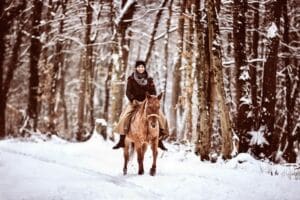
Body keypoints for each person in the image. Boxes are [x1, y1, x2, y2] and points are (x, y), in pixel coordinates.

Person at [112, 60, 169, 150]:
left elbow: (153, 91)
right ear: (136, 68)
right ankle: (122, 140)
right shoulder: (131, 79)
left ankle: (159, 139)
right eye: (139, 67)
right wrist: (133, 99)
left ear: (144, 68)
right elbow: (128, 91)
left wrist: (150, 99)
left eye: (142, 67)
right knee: (124, 116)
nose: (140, 68)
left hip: (148, 103)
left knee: (161, 116)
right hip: (135, 102)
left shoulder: (150, 80)